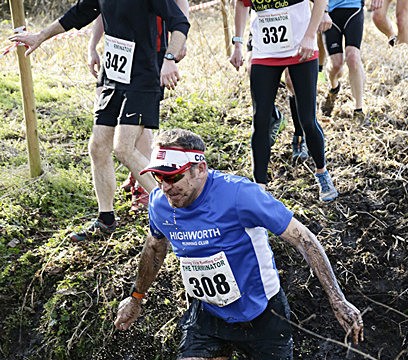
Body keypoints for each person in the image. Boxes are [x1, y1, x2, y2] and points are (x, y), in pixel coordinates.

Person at [113, 129, 364, 360]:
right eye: (159, 177)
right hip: (208, 315)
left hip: (262, 316)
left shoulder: (239, 195)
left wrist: (337, 300)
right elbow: (155, 248)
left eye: (173, 177)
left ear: (199, 170)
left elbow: (304, 239)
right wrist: (136, 297)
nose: (166, 187)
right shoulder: (161, 204)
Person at [10, 0, 189, 241]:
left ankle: (176, 214)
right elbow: (79, 14)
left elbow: (180, 21)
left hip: (144, 73)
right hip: (113, 72)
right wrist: (41, 36)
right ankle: (106, 220)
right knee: (98, 146)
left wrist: (169, 59)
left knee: (123, 148)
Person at [229, 0, 338, 202]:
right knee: (260, 120)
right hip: (265, 52)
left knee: (307, 120)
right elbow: (241, 5)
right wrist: (237, 44)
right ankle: (259, 188)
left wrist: (309, 35)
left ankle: (322, 173)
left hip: (301, 50)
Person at [87, 1, 189, 212]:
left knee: (135, 133)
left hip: (152, 52)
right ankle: (112, 209)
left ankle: (152, 193)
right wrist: (92, 45)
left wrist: (177, 44)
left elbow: (179, 12)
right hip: (117, 57)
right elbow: (101, 9)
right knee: (106, 139)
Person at [321, 0, 371, 122]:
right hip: (330, 13)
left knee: (353, 58)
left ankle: (358, 110)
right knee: (336, 65)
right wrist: (322, 10)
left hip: (354, 9)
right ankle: (334, 87)